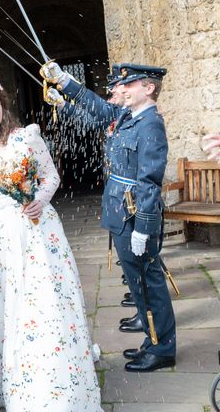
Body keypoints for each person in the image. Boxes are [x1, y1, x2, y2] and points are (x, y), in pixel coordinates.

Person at [0, 78, 102, 410]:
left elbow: (51, 177)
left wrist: (38, 198)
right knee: (1, 307)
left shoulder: (24, 139)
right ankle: (8, 378)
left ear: (3, 108)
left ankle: (51, 381)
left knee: (41, 305)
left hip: (35, 232)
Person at [41, 62, 176, 372]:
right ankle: (151, 341)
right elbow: (99, 110)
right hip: (120, 210)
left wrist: (144, 226)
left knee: (149, 282)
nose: (121, 90)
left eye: (128, 85)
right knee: (138, 282)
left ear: (149, 88)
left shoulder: (150, 124)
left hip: (133, 214)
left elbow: (149, 181)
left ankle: (163, 348)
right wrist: (65, 84)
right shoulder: (129, 117)